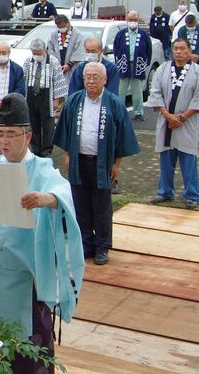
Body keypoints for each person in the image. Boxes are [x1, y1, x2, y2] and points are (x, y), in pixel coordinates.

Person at [0, 93, 85, 374]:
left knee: (23, 326)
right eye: (1, 134)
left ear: (28, 136)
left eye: (12, 134)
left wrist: (45, 199)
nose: (5, 141)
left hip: (23, 267)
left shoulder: (41, 169)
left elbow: (61, 192)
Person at [53, 63, 140, 264]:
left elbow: (123, 136)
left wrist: (117, 164)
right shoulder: (74, 101)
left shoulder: (114, 103)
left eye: (95, 77)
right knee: (80, 205)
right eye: (87, 77)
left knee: (101, 207)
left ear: (105, 80)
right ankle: (86, 245)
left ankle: (102, 247)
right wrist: (67, 154)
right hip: (78, 160)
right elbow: (64, 131)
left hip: (103, 163)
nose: (91, 81)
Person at [147, 37, 199, 209]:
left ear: (189, 50)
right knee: (166, 159)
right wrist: (168, 115)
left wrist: (181, 118)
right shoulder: (163, 69)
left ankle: (191, 194)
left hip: (186, 123)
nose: (179, 52)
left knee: (188, 158)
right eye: (175, 48)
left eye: (182, 49)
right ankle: (165, 191)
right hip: (166, 121)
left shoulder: (198, 72)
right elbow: (155, 93)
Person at [23, 39, 66, 158]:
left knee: (48, 125)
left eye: (39, 52)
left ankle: (46, 151)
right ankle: (35, 149)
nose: (36, 55)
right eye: (34, 53)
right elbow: (24, 78)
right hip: (31, 94)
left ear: (45, 50)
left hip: (47, 94)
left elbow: (58, 80)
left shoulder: (53, 61)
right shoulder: (28, 61)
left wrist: (56, 99)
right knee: (33, 123)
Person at [0, 41, 26, 157]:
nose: (1, 55)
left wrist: (7, 100)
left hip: (10, 109)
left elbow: (20, 89)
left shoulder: (17, 69)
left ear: (9, 53)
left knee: (9, 140)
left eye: (4, 53)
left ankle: (9, 162)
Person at [113, 11, 153, 121]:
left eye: (135, 20)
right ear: (126, 19)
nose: (132, 22)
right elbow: (116, 49)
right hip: (124, 64)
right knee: (121, 91)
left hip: (138, 65)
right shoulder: (120, 34)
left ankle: (138, 113)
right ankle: (119, 112)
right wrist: (118, 62)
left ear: (138, 20)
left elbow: (149, 50)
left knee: (137, 91)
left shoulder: (144, 35)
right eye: (130, 19)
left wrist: (146, 63)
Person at [49, 15, 85, 81]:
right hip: (57, 68)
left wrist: (69, 65)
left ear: (68, 23)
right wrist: (56, 64)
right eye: (59, 27)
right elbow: (50, 49)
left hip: (72, 68)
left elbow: (79, 51)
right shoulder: (54, 34)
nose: (61, 28)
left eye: (62, 26)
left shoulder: (77, 34)